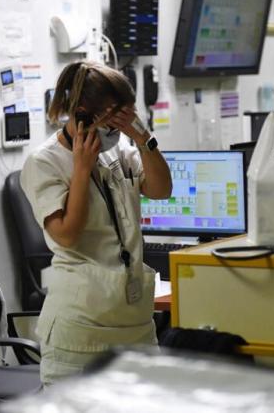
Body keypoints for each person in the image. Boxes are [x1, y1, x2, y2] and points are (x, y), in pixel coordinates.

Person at [20, 60, 172, 386]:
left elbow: (161, 189)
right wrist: (81, 169)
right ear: (83, 113)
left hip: (134, 323)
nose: (116, 132)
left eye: (123, 122)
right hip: (80, 328)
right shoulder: (43, 162)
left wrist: (144, 139)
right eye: (111, 122)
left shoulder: (120, 151)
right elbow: (67, 235)